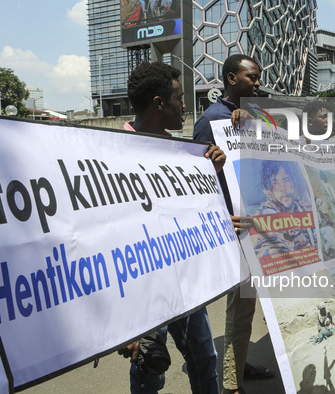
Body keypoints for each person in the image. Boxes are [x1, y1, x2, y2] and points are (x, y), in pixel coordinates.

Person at [121, 61, 226, 394]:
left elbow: (193, 213)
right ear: (158, 104)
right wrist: (128, 326)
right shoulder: (111, 155)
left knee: (204, 358)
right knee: (150, 369)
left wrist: (214, 174)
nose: (185, 106)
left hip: (184, 280)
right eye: (180, 98)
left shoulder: (184, 154)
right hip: (143, 290)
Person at [193, 54, 271, 394]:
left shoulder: (253, 116)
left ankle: (238, 364)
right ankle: (231, 382)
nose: (256, 82)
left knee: (251, 306)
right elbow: (193, 181)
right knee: (240, 307)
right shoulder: (212, 121)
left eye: (258, 77)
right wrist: (222, 219)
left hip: (261, 225)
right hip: (236, 230)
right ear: (230, 78)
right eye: (251, 77)